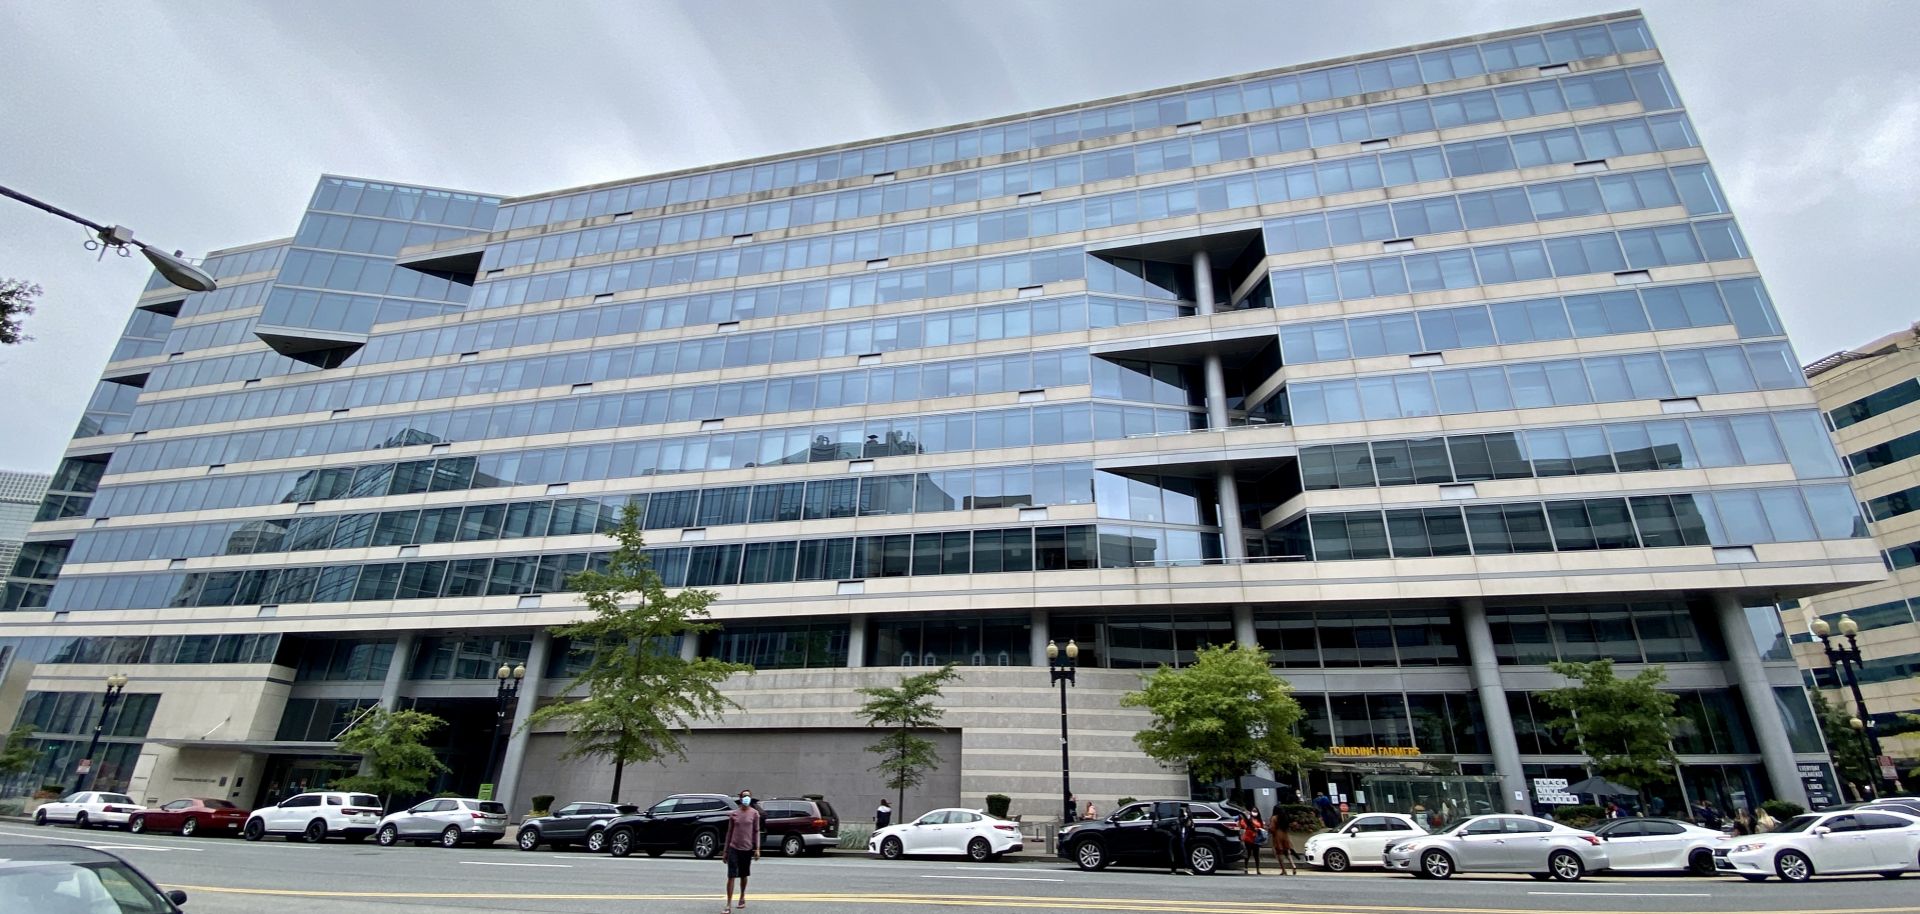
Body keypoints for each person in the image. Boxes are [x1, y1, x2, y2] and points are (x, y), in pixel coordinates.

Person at [722, 789, 761, 912]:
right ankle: (728, 904)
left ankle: (742, 897)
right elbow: (729, 833)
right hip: (734, 847)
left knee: (744, 875)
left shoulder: (755, 814)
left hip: (747, 848)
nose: (746, 798)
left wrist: (757, 848)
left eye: (748, 796)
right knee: (731, 876)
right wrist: (725, 851)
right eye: (744, 796)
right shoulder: (734, 814)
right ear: (740, 798)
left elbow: (756, 831)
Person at [1153, 801, 1190, 874]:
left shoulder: (1175, 819)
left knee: (1173, 851)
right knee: (1176, 850)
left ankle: (1177, 868)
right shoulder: (1176, 820)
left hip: (1174, 835)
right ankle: (1181, 867)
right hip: (1176, 835)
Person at [1240, 810, 1263, 874]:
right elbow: (1243, 824)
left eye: (1256, 811)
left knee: (1256, 854)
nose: (1254, 812)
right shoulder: (1248, 819)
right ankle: (1246, 867)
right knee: (1248, 853)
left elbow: (1261, 827)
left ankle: (1258, 869)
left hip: (1256, 838)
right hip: (1249, 837)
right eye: (1253, 811)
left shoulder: (1259, 820)